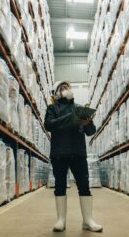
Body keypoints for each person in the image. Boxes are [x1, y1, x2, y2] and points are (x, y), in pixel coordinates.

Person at [44, 81, 103, 233]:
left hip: (78, 153)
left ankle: (88, 220)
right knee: (60, 185)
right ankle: (61, 220)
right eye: (63, 88)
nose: (66, 89)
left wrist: (88, 122)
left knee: (84, 185)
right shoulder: (53, 108)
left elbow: (91, 132)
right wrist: (70, 118)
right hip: (59, 153)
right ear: (56, 92)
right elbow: (49, 124)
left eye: (68, 87)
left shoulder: (79, 108)